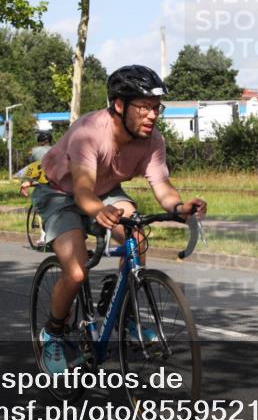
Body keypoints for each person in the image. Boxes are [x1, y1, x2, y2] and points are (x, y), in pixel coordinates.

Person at [34, 64, 207, 374]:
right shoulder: (89, 133)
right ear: (119, 104)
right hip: (61, 192)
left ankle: (123, 310)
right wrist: (98, 210)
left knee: (136, 238)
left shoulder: (153, 140)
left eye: (157, 108)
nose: (153, 115)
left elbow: (162, 187)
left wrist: (179, 207)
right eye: (144, 108)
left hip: (105, 189)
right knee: (75, 274)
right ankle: (53, 333)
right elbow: (84, 191)